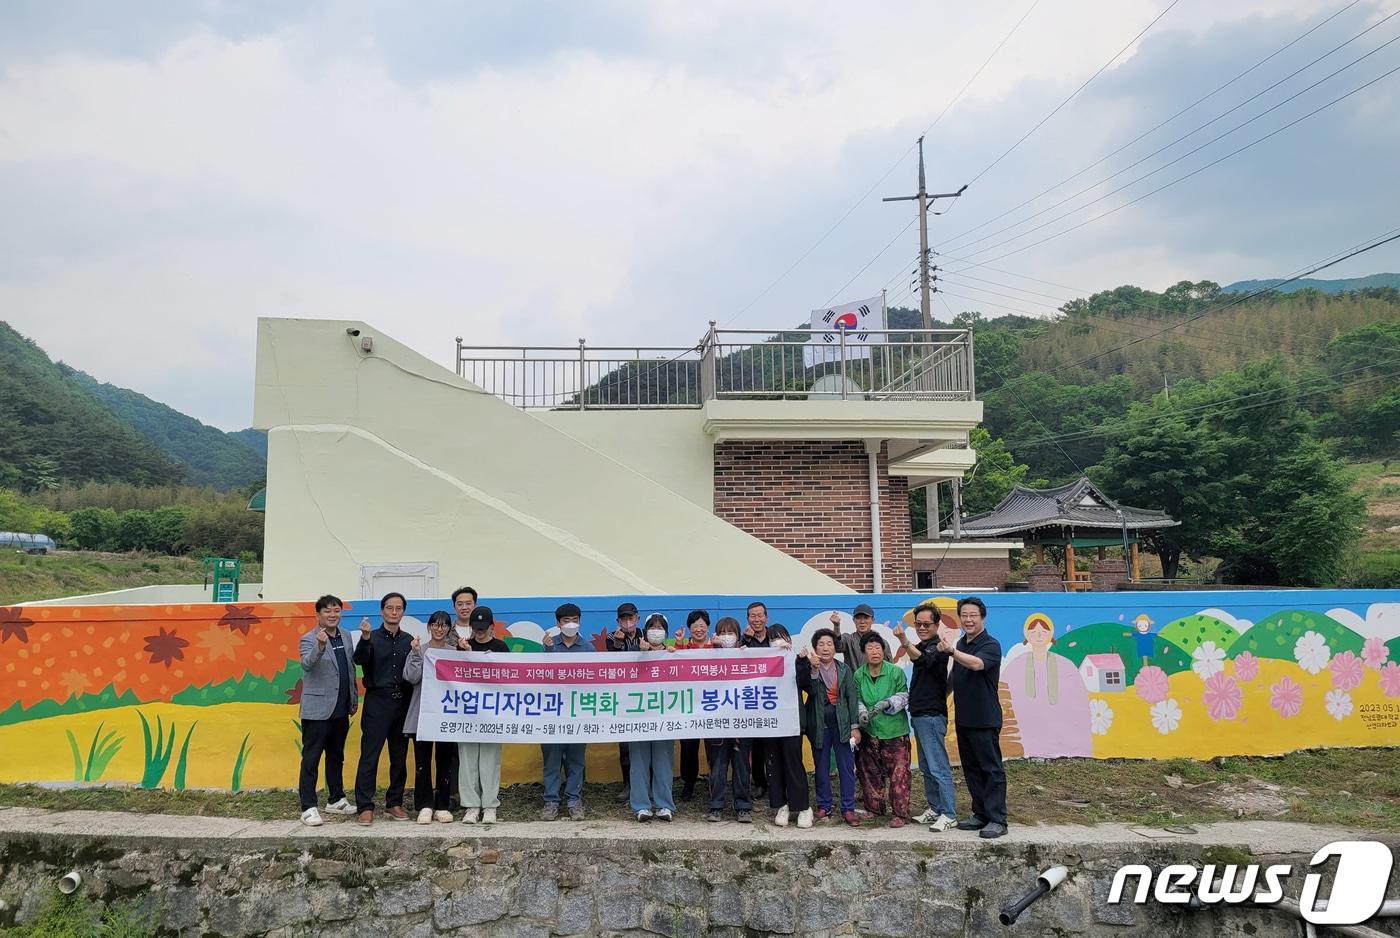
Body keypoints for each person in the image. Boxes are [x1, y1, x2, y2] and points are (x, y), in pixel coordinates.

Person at [941, 596, 1008, 839]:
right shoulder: (962, 643)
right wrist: (941, 696)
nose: (968, 620)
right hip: (964, 718)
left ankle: (998, 819)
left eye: (973, 616)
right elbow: (955, 676)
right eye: (964, 616)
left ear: (982, 617)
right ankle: (980, 814)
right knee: (971, 768)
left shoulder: (990, 645)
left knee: (991, 769)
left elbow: (977, 665)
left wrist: (951, 651)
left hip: (985, 718)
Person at [352, 592, 415, 825]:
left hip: (403, 703)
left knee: (399, 756)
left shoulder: (409, 640)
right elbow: (360, 660)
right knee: (370, 755)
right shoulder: (372, 637)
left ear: (403, 612)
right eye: (390, 608)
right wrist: (365, 638)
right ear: (382, 611)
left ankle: (394, 803)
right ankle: (365, 806)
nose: (394, 612)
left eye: (399, 608)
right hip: (377, 702)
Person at [297, 594, 359, 826]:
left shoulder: (345, 636)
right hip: (317, 710)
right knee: (311, 758)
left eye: (336, 611)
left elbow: (349, 669)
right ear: (318, 615)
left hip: (341, 708)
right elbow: (307, 664)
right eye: (328, 611)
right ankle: (308, 806)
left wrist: (353, 698)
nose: (333, 615)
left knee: (336, 756)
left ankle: (336, 798)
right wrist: (321, 646)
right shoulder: (309, 638)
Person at [896, 603, 958, 832]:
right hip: (920, 715)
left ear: (936, 624)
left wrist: (904, 641)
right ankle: (935, 808)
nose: (921, 627)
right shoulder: (924, 645)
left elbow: (922, 660)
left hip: (932, 716)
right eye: (918, 623)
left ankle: (949, 813)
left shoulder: (938, 647)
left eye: (926, 624)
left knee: (938, 766)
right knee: (926, 766)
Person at [799, 627, 860, 826]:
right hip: (819, 726)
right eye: (821, 644)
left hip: (842, 726)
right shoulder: (809, 668)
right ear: (815, 648)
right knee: (821, 768)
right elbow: (812, 692)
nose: (825, 648)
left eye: (829, 644)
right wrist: (814, 670)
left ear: (835, 648)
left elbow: (851, 699)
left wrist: (854, 726)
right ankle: (824, 805)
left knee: (846, 768)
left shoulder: (844, 669)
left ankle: (848, 808)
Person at [403, 610, 459, 824]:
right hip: (422, 715)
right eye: (435, 624)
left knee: (445, 760)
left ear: (448, 629)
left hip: (446, 715)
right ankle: (425, 804)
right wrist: (416, 654)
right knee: (422, 762)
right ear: (429, 627)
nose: (439, 628)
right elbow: (411, 677)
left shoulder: (454, 652)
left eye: (444, 625)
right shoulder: (420, 649)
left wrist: (468, 653)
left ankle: (443, 804)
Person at [456, 605, 509, 823]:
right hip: (468, 713)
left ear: (490, 626)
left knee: (489, 760)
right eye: (475, 627)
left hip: (492, 714)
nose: (479, 631)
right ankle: (470, 805)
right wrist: (467, 656)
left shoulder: (500, 647)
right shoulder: (463, 647)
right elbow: (455, 678)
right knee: (467, 760)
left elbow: (509, 680)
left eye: (483, 627)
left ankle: (489, 805)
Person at [853, 631, 913, 828]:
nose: (874, 652)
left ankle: (900, 813)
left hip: (895, 732)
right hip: (870, 731)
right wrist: (862, 712)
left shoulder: (895, 672)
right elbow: (857, 698)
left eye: (877, 647)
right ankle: (874, 808)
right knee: (868, 772)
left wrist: (888, 703)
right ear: (864, 652)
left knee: (899, 774)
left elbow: (904, 694)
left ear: (883, 650)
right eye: (869, 648)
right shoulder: (858, 675)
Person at [540, 602, 588, 820]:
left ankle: (574, 800)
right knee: (552, 758)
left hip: (578, 712)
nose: (571, 624)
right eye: (566, 620)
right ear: (558, 624)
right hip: (552, 713)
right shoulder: (549, 646)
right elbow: (541, 677)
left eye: (574, 620)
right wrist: (548, 652)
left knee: (576, 759)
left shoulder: (588, 649)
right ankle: (550, 800)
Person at [630, 613, 679, 822]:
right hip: (638, 717)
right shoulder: (634, 652)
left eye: (660, 627)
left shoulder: (672, 654)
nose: (656, 631)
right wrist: (639, 654)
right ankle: (641, 806)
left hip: (664, 717)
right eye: (652, 627)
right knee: (639, 763)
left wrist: (674, 654)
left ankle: (664, 805)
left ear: (666, 633)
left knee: (663, 762)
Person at [763, 624, 812, 829]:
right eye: (773, 638)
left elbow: (806, 684)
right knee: (773, 765)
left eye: (781, 637)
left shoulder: (796, 659)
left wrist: (801, 661)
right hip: (768, 723)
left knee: (793, 763)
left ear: (789, 640)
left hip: (791, 723)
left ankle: (803, 807)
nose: (777, 641)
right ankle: (781, 805)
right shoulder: (762, 663)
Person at [705, 617, 752, 823]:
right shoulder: (708, 656)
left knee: (742, 765)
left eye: (731, 632)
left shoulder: (747, 654)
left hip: (741, 720)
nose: (727, 637)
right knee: (717, 765)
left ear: (738, 635)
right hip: (716, 721)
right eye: (722, 633)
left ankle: (743, 807)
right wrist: (711, 650)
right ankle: (716, 806)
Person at [673, 609, 711, 799]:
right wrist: (677, 646)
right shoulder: (682, 650)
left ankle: (715, 783)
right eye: (694, 626)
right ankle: (688, 782)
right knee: (688, 746)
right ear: (689, 629)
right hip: (688, 705)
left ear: (708, 628)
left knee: (714, 746)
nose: (698, 630)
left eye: (702, 626)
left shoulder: (716, 649)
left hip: (714, 705)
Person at [607, 601, 641, 800]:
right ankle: (627, 785)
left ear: (637, 618)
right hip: (624, 698)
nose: (627, 622)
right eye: (623, 619)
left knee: (647, 744)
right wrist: (619, 645)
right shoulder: (612, 638)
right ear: (618, 621)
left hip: (647, 696)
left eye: (631, 618)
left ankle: (648, 785)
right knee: (626, 746)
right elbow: (613, 664)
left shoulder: (648, 634)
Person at [742, 601, 772, 799]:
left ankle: (776, 782)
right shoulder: (744, 642)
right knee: (757, 746)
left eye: (759, 615)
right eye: (752, 616)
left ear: (766, 617)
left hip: (773, 699)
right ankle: (759, 783)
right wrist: (746, 643)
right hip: (750, 700)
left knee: (774, 744)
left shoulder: (776, 638)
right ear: (748, 619)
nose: (756, 619)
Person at [829, 602, 877, 669]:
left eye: (866, 618)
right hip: (852, 679)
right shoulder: (848, 639)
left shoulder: (881, 643)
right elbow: (837, 647)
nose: (862, 622)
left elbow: (889, 670)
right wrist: (836, 626)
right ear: (854, 620)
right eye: (858, 618)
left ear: (873, 620)